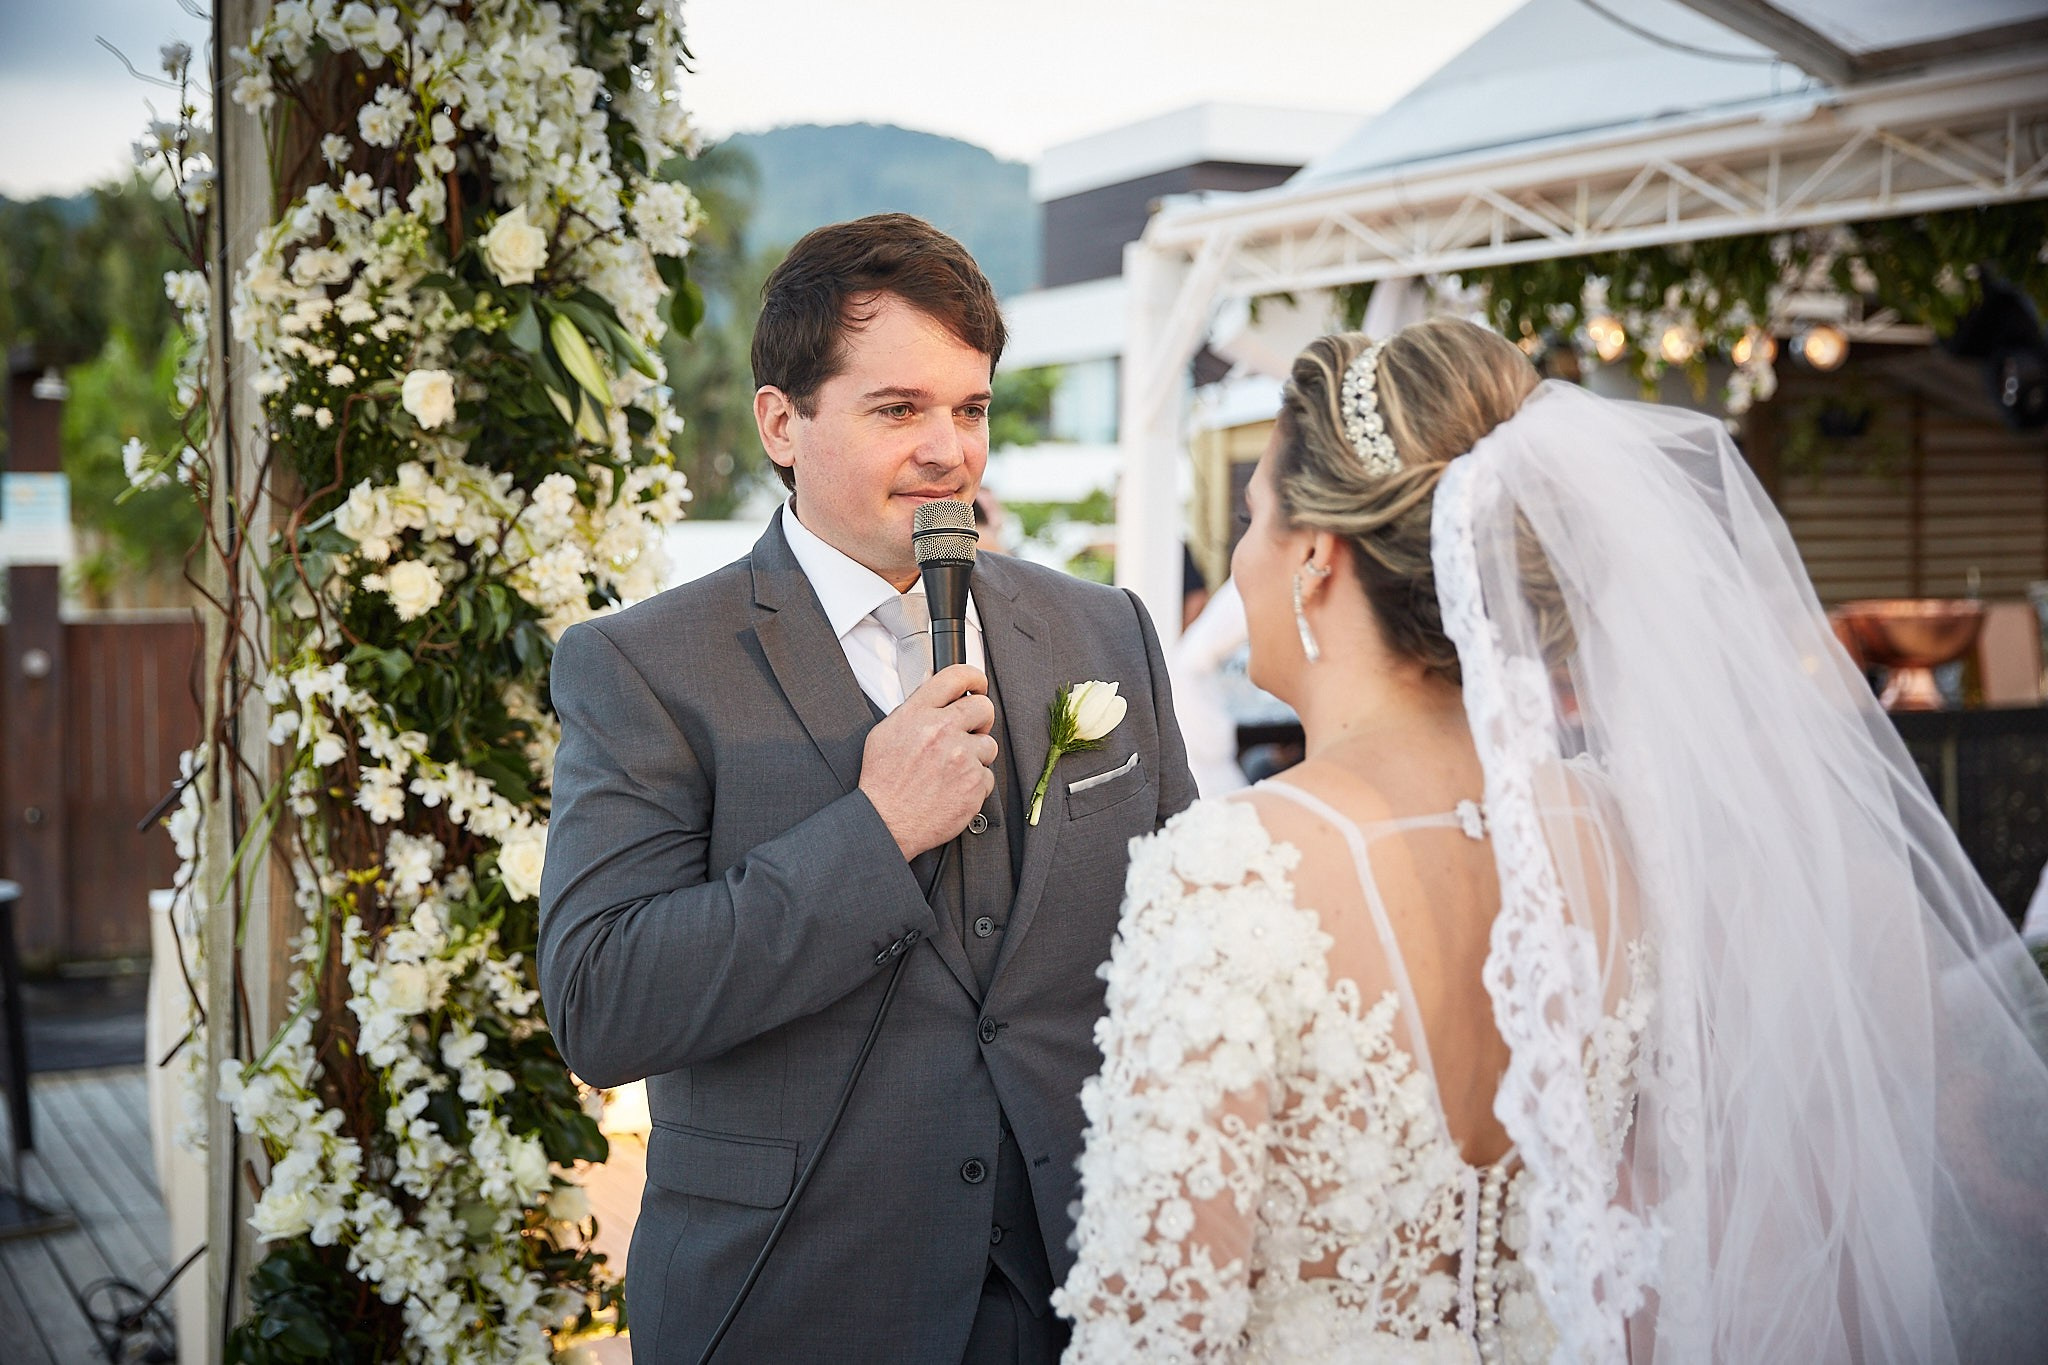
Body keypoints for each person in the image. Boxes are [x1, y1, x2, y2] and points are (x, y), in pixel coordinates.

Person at [1055, 318, 2048, 1362]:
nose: (1241, 560)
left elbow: (1152, 1334)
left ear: (1313, 555)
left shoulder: (1231, 870)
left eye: (1251, 519)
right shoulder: (1620, 833)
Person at [538, 213, 1196, 1363]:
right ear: (781, 423)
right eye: (899, 409)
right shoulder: (645, 665)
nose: (949, 449)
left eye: (971, 408)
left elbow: (1186, 943)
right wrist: (872, 831)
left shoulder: (1104, 631)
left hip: (1084, 1296)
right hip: (796, 1300)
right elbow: (602, 1002)